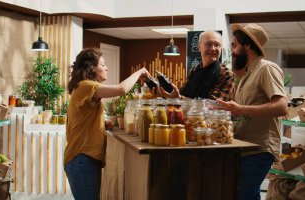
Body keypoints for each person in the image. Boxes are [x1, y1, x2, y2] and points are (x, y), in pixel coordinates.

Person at [64, 48, 151, 200]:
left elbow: (82, 120)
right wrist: (140, 72)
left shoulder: (83, 87)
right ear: (91, 68)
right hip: (81, 158)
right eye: (103, 65)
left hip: (84, 158)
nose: (106, 68)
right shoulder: (86, 86)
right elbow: (121, 89)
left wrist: (102, 124)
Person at [216, 23, 288, 200]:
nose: (232, 50)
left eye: (234, 45)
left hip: (259, 150)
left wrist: (240, 108)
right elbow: (246, 111)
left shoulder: (266, 68)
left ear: (247, 45)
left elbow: (281, 106)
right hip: (245, 149)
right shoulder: (247, 75)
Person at [159, 30, 234, 101]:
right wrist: (165, 94)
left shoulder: (226, 74)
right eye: (209, 44)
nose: (213, 48)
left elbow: (213, 104)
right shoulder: (195, 70)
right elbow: (183, 94)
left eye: (217, 45)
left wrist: (179, 98)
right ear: (199, 47)